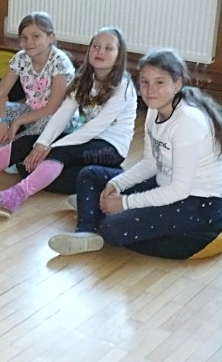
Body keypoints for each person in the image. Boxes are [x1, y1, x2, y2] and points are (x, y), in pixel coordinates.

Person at [0, 27, 137, 217]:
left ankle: (11, 198)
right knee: (28, 147)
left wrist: (50, 146)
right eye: (96, 46)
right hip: (86, 141)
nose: (100, 52)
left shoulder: (123, 86)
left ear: (119, 56)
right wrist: (40, 143)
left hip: (111, 146)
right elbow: (63, 113)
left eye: (108, 48)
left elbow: (95, 127)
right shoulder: (83, 80)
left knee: (57, 153)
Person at [49, 49, 222, 256]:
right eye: (144, 82)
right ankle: (86, 231)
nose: (150, 90)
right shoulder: (154, 110)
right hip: (164, 184)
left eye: (159, 82)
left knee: (112, 229)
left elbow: (179, 190)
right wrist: (117, 184)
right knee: (90, 175)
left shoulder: (187, 121)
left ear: (177, 84)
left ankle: (92, 209)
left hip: (200, 201)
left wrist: (124, 203)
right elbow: (150, 164)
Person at [0, 11, 75, 154]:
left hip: (59, 118)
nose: (29, 42)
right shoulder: (20, 59)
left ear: (50, 38)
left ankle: (3, 149)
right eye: (24, 37)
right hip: (31, 112)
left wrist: (18, 121)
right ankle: (6, 148)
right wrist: (2, 120)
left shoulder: (59, 62)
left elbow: (53, 108)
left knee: (50, 120)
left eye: (36, 36)